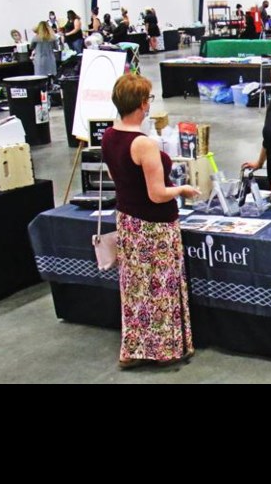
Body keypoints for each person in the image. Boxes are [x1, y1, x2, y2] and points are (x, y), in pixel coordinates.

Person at [101, 73, 199, 369]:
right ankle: (162, 349)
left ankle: (133, 347)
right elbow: (157, 194)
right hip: (154, 227)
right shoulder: (142, 144)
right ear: (143, 104)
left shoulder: (109, 135)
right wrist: (183, 189)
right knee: (160, 289)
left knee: (135, 288)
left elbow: (113, 176)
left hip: (128, 222)